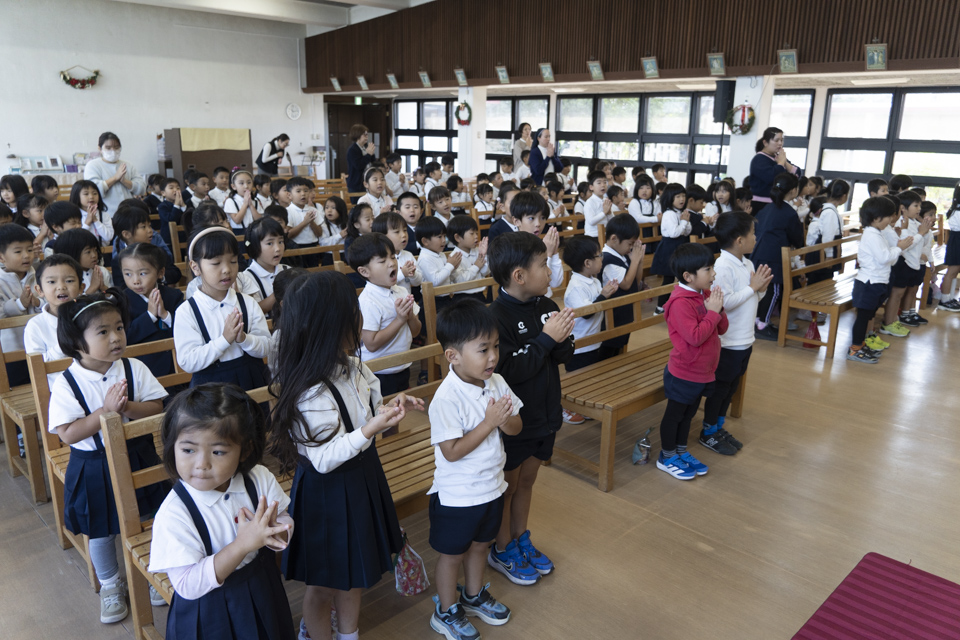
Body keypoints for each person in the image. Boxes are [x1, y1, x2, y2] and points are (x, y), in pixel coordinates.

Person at [267, 271, 423, 640]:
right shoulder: (309, 389)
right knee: (323, 584)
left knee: (352, 576)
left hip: (362, 478)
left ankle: (349, 634)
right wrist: (370, 429)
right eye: (353, 310)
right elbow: (323, 458)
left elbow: (368, 409)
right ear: (331, 323)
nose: (360, 317)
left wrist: (390, 408)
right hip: (327, 493)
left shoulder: (353, 366)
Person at [48, 289, 167, 624]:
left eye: (119, 328)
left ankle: (153, 569)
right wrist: (105, 411)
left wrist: (126, 406)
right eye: (103, 332)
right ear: (76, 343)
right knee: (100, 530)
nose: (116, 337)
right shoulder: (67, 383)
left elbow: (157, 407)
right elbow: (67, 433)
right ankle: (111, 584)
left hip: (138, 454)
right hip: (93, 464)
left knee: (155, 516)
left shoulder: (133, 367)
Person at [149, 384, 295, 640]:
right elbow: (186, 584)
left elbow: (282, 517)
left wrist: (278, 531)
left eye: (218, 452)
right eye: (188, 450)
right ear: (173, 446)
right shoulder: (175, 512)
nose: (202, 464)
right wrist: (242, 545)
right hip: (208, 612)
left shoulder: (257, 478)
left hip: (261, 588)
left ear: (245, 450)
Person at [428, 299, 521, 639]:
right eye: (483, 350)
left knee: (481, 546)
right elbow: (451, 452)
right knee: (452, 554)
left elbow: (516, 427)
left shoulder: (496, 382)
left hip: (491, 487)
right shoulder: (447, 398)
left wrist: (505, 419)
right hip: (457, 496)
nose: (493, 357)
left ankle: (472, 595)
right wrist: (488, 423)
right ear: (453, 355)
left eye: (495, 346)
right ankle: (446, 610)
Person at [487, 232, 574, 585]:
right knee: (508, 485)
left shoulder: (547, 307)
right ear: (519, 275)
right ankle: (501, 547)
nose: (550, 270)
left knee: (528, 481)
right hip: (516, 421)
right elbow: (511, 369)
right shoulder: (495, 317)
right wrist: (546, 339)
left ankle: (521, 538)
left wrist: (562, 336)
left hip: (546, 414)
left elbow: (564, 356)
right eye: (543, 264)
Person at [700, 213, 772, 456]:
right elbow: (724, 304)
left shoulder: (747, 263)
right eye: (752, 233)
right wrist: (753, 287)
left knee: (731, 386)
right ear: (740, 240)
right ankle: (708, 431)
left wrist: (760, 290)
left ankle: (718, 427)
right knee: (720, 388)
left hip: (745, 338)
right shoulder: (722, 266)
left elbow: (752, 297)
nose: (756, 237)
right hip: (728, 341)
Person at [656, 243, 727, 480]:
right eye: (708, 269)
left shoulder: (704, 294)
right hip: (683, 372)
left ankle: (680, 452)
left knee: (688, 416)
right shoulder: (680, 302)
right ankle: (666, 457)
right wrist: (712, 312)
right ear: (688, 276)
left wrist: (718, 308)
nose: (714, 273)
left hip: (703, 371)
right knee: (675, 415)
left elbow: (723, 328)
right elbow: (695, 337)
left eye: (712, 267)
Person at [174, 228, 270, 389]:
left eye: (233, 261)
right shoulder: (187, 311)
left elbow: (267, 347)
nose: (227, 269)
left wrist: (244, 339)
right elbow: (188, 362)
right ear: (195, 267)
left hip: (252, 381)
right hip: (211, 391)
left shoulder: (248, 302)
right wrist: (224, 340)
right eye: (216, 263)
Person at [350, 233, 421, 399]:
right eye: (382, 261)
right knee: (384, 417)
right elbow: (372, 344)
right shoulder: (368, 301)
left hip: (401, 365)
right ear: (364, 271)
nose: (392, 263)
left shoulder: (401, 291)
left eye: (393, 257)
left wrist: (409, 316)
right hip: (378, 372)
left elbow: (416, 332)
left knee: (400, 412)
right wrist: (400, 319)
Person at [847, 197, 916, 364]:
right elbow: (885, 257)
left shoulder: (877, 234)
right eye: (889, 216)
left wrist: (896, 250)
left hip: (878, 281)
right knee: (863, 318)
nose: (892, 220)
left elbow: (889, 259)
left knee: (868, 315)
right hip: (868, 283)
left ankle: (861, 344)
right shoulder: (872, 235)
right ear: (877, 218)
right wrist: (900, 248)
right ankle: (855, 349)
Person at [749, 173, 804, 340]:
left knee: (760, 291)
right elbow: (798, 239)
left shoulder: (766, 208)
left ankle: (758, 321)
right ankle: (762, 324)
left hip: (757, 254)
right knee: (773, 291)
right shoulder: (789, 212)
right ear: (794, 191)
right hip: (775, 257)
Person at [119, 242, 183, 378]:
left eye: (142, 273)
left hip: (176, 364)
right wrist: (150, 316)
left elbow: (186, 330)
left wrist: (165, 315)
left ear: (160, 273)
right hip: (142, 371)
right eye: (128, 274)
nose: (135, 281)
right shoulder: (121, 301)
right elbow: (124, 337)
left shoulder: (174, 296)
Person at [562, 236, 619, 372]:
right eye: (599, 255)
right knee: (580, 381)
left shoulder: (594, 281)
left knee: (593, 376)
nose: (602, 258)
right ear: (587, 263)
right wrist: (603, 295)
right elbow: (587, 313)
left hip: (593, 341)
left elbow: (599, 301)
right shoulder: (576, 287)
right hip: (579, 347)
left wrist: (608, 292)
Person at [24, 254, 83, 386]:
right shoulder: (35, 326)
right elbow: (38, 366)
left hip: (94, 383)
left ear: (81, 288)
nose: (61, 286)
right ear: (39, 290)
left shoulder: (90, 317)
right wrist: (66, 342)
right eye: (52, 282)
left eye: (69, 281)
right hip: (57, 388)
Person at [881, 191, 932, 336]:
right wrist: (921, 233)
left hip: (911, 263)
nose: (919, 209)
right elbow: (905, 245)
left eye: (920, 206)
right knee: (896, 294)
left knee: (900, 293)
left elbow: (921, 241)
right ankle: (888, 323)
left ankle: (893, 321)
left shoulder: (914, 222)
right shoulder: (901, 223)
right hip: (902, 263)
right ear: (903, 208)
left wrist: (924, 232)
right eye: (916, 205)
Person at [598, 214, 646, 361]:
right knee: (607, 352)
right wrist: (635, 260)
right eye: (630, 244)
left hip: (624, 311)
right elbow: (625, 284)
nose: (631, 248)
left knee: (618, 349)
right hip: (614, 316)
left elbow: (636, 282)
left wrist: (639, 261)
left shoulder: (622, 255)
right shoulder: (608, 259)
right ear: (614, 239)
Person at [0, 223, 41, 386]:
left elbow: (47, 304)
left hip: (38, 345)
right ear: (1, 257)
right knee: (17, 387)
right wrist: (20, 304)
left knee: (39, 385)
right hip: (10, 348)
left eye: (30, 250)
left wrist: (38, 302)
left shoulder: (36, 274)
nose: (26, 256)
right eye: (18, 251)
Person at [83, 132, 146, 221]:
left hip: (130, 213)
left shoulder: (128, 165)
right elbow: (93, 190)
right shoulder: (93, 165)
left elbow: (142, 188)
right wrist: (115, 178)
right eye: (108, 148)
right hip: (107, 215)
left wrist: (125, 181)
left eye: (116, 147)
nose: (113, 151)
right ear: (100, 148)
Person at [651, 183, 692, 311]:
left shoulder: (679, 212)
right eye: (678, 196)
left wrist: (686, 221)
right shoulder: (669, 214)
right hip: (669, 249)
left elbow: (686, 231)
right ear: (670, 198)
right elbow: (674, 233)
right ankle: (660, 307)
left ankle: (677, 305)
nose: (682, 199)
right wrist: (684, 221)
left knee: (682, 277)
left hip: (679, 248)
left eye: (683, 196)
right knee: (668, 279)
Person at [803, 180, 849, 286]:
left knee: (824, 282)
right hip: (822, 254)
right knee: (818, 284)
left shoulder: (830, 210)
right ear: (844, 196)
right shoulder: (829, 212)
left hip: (825, 252)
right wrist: (828, 256)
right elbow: (827, 237)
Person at [748, 127, 801, 215]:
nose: (780, 143)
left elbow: (797, 175)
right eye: (776, 140)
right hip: (761, 204)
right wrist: (780, 163)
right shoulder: (759, 159)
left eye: (781, 140)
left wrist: (785, 163)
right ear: (765, 142)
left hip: (776, 203)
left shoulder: (778, 158)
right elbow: (772, 177)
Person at [372, 212, 422, 295]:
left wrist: (413, 274)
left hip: (406, 301)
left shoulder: (408, 255)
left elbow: (417, 282)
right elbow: (384, 283)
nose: (404, 235)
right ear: (382, 236)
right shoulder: (379, 259)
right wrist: (403, 273)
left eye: (405, 230)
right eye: (397, 232)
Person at [54, 228, 111, 293]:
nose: (94, 255)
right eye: (88, 252)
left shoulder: (101, 271)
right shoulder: (66, 277)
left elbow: (114, 298)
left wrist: (103, 287)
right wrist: (93, 288)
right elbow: (74, 302)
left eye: (95, 250)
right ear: (72, 254)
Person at [447, 215, 489, 300]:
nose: (476, 236)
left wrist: (483, 255)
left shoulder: (477, 251)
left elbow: (485, 272)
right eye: (472, 233)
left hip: (480, 294)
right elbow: (460, 281)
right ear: (458, 237)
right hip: (463, 297)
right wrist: (476, 266)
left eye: (476, 233)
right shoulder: (454, 257)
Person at [284, 177, 322, 268]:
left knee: (313, 272)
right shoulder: (288, 211)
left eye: (306, 190)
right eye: (298, 191)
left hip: (313, 246)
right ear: (289, 195)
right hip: (296, 248)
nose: (303, 194)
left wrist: (312, 223)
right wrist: (304, 222)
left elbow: (319, 233)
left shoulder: (313, 210)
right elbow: (288, 235)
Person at [68, 180, 113, 244]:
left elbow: (109, 237)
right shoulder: (73, 215)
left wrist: (96, 220)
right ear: (76, 196)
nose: (91, 197)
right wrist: (87, 222)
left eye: (94, 193)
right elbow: (77, 239)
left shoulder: (104, 215)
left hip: (103, 251)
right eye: (86, 194)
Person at [223, 170, 263, 234]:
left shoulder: (255, 201)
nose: (246, 186)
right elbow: (237, 220)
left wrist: (251, 205)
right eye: (241, 183)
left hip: (255, 231)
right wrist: (245, 204)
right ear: (234, 186)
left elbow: (259, 220)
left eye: (249, 182)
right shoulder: (230, 201)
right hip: (239, 232)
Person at [346, 124, 377, 196]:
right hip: (356, 183)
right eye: (364, 135)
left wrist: (372, 153)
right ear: (357, 135)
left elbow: (373, 162)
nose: (367, 137)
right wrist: (369, 154)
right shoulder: (353, 149)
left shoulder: (365, 147)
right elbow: (358, 165)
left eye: (367, 134)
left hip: (367, 181)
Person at [157, 178, 188, 246]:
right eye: (171, 188)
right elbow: (171, 220)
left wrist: (182, 205)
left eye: (178, 188)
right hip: (169, 240)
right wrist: (176, 205)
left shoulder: (184, 204)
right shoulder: (162, 206)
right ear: (163, 193)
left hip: (184, 238)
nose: (175, 190)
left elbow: (188, 218)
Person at [583, 170, 611, 238]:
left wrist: (609, 213)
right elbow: (591, 221)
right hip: (593, 236)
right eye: (599, 183)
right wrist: (604, 213)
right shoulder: (590, 202)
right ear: (591, 187)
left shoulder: (605, 200)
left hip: (605, 234)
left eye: (605, 182)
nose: (603, 185)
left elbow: (611, 220)